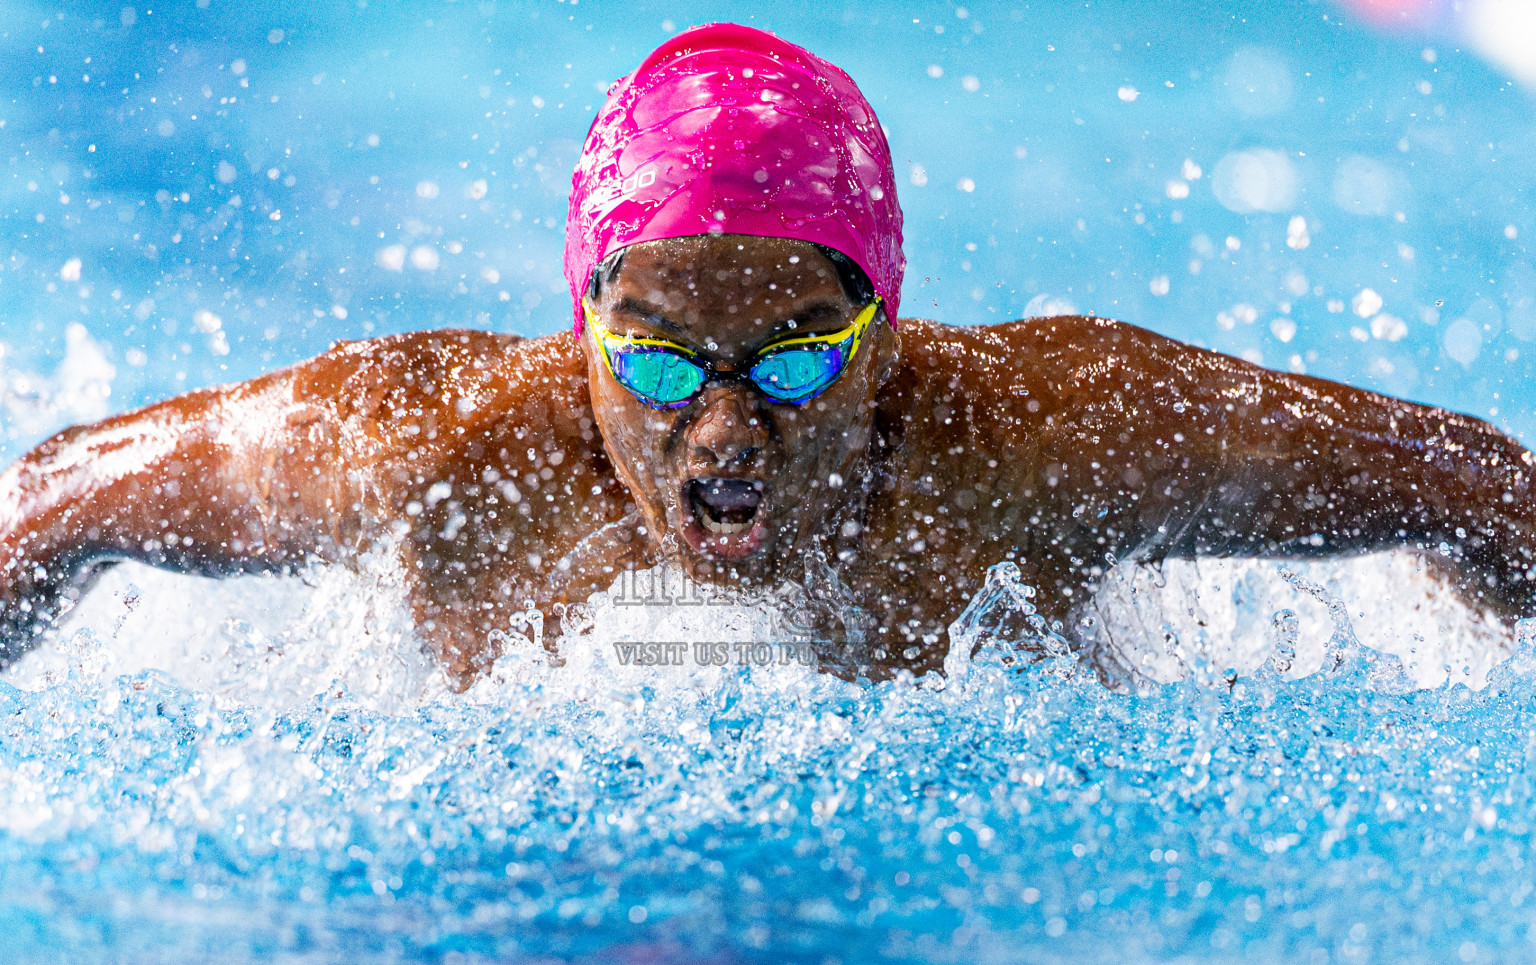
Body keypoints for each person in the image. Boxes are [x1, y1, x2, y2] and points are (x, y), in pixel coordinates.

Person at [3, 23, 1535, 688]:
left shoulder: (1047, 434)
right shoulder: (429, 450)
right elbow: (53, 501)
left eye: (796, 362)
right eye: (663, 369)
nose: (726, 436)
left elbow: (1485, 486)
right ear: (583, 331)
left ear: (888, 329)